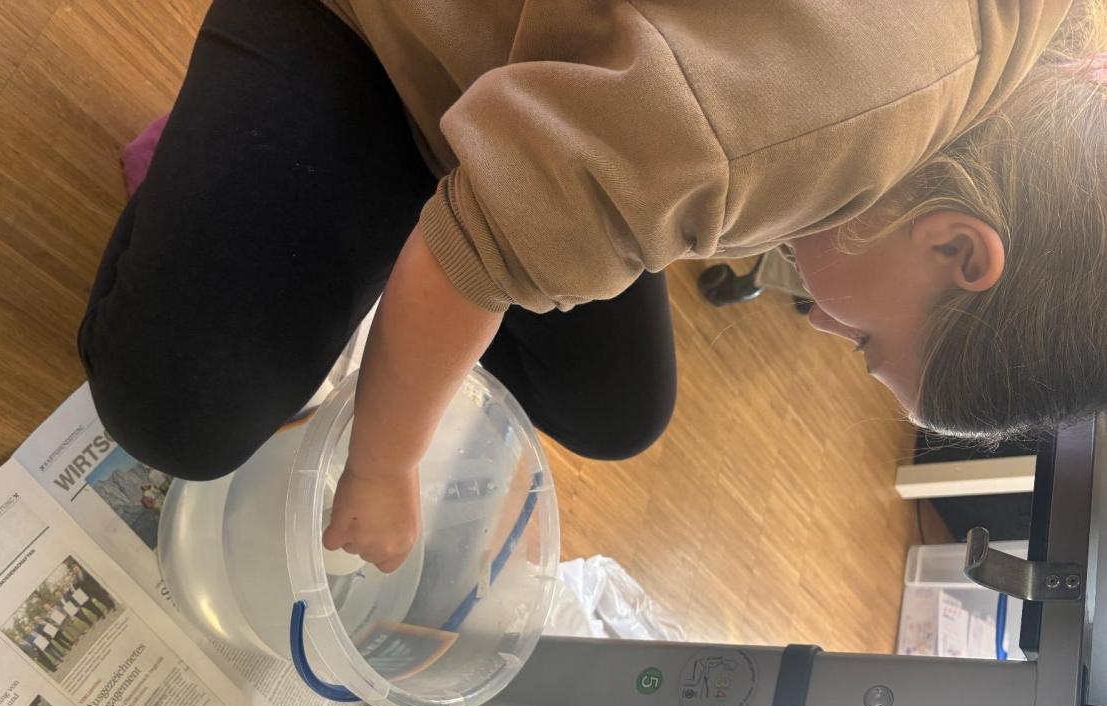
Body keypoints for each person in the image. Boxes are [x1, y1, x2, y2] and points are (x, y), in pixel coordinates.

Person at [77, 0, 1107, 573]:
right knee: (181, 414)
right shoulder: (791, 134)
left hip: (543, 78)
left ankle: (442, 203)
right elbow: (460, 267)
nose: (828, 325)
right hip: (386, 33)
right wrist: (382, 471)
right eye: (863, 340)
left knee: (617, 412)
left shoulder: (1040, 59)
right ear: (958, 248)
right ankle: (249, 158)